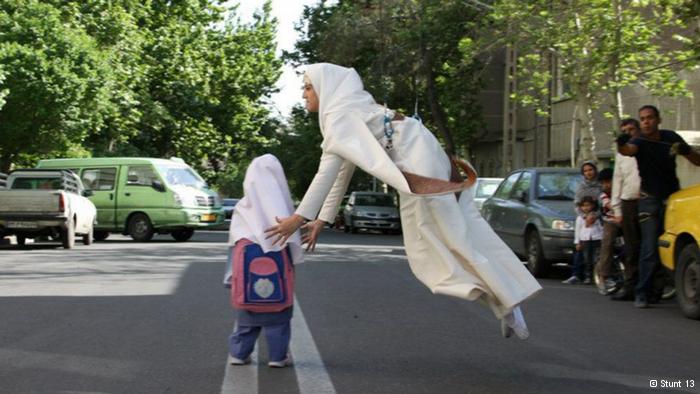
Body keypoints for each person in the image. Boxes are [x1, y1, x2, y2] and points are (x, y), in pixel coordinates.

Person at [265, 63, 541, 340]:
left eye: (308, 87)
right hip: (422, 155)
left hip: (419, 161)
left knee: (439, 248)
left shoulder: (339, 115)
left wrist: (297, 219)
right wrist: (321, 219)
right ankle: (504, 301)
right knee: (450, 241)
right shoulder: (345, 111)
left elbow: (326, 173)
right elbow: (341, 169)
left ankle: (507, 303)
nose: (304, 95)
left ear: (325, 89)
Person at [617, 105, 700, 308]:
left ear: (658, 120)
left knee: (669, 245)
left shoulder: (670, 137)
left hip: (672, 199)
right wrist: (620, 143)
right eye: (643, 119)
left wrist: (685, 150)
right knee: (649, 248)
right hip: (649, 200)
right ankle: (642, 292)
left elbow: (697, 160)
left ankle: (659, 289)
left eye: (650, 118)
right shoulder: (638, 141)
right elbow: (628, 151)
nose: (646, 122)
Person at [226, 154, 304, 368]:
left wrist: (230, 278)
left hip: (247, 279)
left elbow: (234, 246)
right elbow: (292, 244)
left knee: (245, 323)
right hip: (277, 273)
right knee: (279, 322)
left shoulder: (243, 208)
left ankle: (239, 354)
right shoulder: (283, 211)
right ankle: (277, 357)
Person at [610, 119, 641, 301]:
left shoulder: (645, 148)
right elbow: (618, 180)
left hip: (646, 201)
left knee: (649, 248)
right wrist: (617, 209)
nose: (629, 133)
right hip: (628, 203)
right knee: (631, 247)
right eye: (625, 130)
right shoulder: (622, 155)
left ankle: (651, 288)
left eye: (631, 129)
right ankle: (630, 286)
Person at [563, 196, 603, 285]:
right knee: (587, 259)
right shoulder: (580, 218)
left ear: (593, 205)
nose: (586, 208)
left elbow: (601, 228)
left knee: (596, 259)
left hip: (596, 239)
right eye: (583, 206)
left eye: (588, 205)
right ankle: (588, 276)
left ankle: (597, 276)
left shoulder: (596, 216)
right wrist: (577, 242)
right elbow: (578, 231)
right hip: (585, 240)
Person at [594, 168, 620, 295]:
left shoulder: (620, 191)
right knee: (607, 244)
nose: (606, 185)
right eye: (603, 183)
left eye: (608, 182)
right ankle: (603, 277)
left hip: (623, 221)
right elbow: (610, 206)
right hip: (610, 222)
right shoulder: (603, 195)